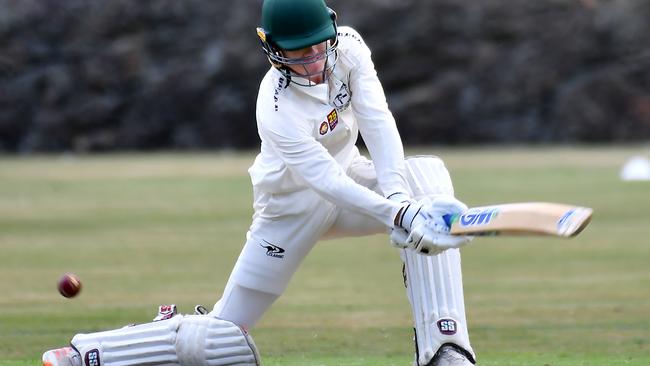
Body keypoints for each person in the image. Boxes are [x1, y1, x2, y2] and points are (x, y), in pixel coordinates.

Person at [42, 0, 477, 365]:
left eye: (318, 49)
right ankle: (90, 353)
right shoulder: (275, 107)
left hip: (349, 176)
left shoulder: (350, 49)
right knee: (219, 338)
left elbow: (378, 121)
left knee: (428, 179)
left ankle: (446, 348)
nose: (312, 63)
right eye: (298, 54)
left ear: (333, 29)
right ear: (272, 50)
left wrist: (403, 197)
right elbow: (321, 181)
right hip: (292, 209)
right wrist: (398, 213)